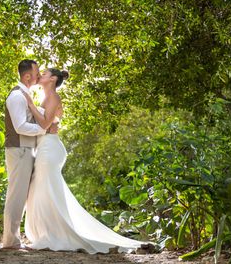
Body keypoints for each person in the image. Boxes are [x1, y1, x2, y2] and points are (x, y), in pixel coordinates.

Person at [23, 68, 148, 253]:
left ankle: (53, 235)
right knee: (40, 191)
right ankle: (48, 233)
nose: (40, 75)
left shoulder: (54, 97)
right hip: (44, 146)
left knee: (46, 191)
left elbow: (45, 124)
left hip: (49, 148)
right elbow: (49, 123)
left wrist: (30, 105)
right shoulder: (47, 98)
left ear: (53, 79)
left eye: (45, 73)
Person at [2, 59, 57, 249]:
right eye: (36, 72)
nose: (39, 74)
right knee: (16, 195)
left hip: (25, 149)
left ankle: (13, 239)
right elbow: (20, 126)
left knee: (21, 194)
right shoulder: (17, 96)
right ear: (27, 76)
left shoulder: (25, 95)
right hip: (18, 149)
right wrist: (43, 130)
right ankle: (10, 241)